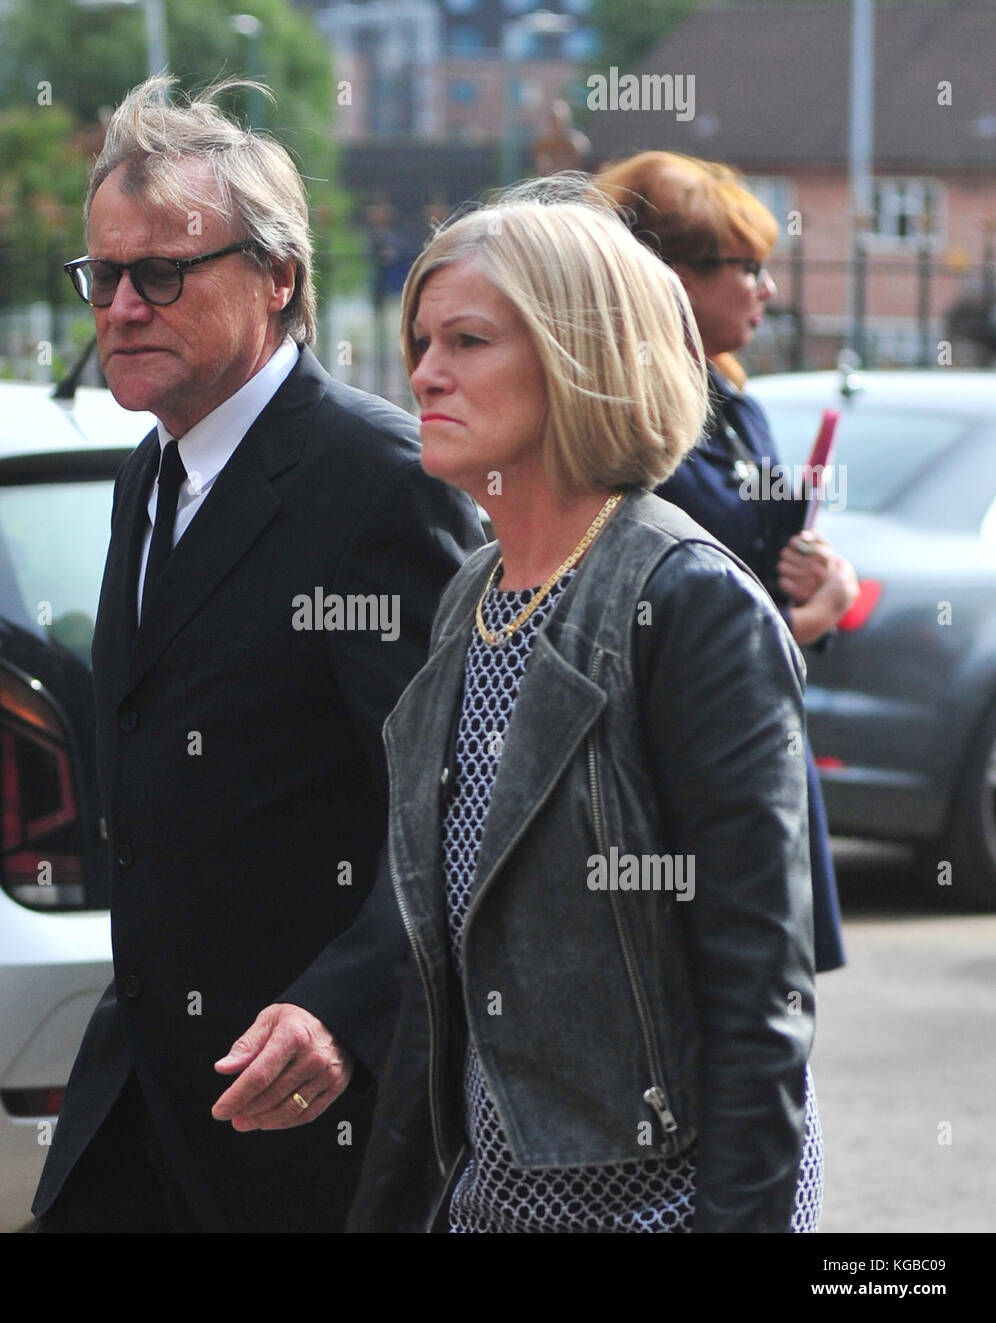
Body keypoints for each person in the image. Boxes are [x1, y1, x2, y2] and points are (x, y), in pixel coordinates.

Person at [31, 76, 483, 1233]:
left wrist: (342, 1009)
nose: (121, 306)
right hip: (143, 1081)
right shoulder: (153, 466)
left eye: (162, 275)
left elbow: (451, 802)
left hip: (301, 1122)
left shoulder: (377, 481)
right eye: (101, 277)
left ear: (277, 278)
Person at [341, 181, 820, 1233]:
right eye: (419, 340)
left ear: (576, 357)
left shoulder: (686, 602)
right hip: (490, 1200)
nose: (423, 372)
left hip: (661, 1202)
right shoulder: (473, 594)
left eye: (467, 340)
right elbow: (443, 971)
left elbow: (760, 991)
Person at [595, 151, 855, 973]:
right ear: (666, 274)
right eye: (746, 268)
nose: (767, 290)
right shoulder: (625, 419)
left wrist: (818, 581)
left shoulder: (732, 398)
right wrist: (803, 620)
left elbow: (751, 561)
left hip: (762, 734)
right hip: (681, 761)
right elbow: (646, 609)